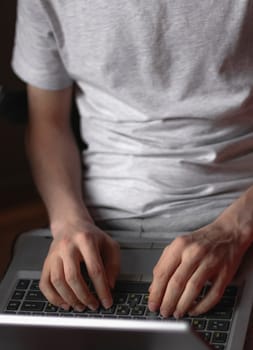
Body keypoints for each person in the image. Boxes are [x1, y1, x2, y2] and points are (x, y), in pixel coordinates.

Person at [12, 0, 253, 319]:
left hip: (234, 221)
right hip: (96, 230)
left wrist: (235, 230)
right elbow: (47, 122)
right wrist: (68, 222)